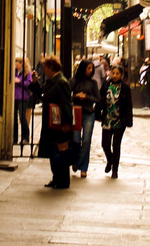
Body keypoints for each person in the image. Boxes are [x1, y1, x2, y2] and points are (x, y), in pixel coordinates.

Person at [38, 55, 73, 189]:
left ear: (51, 67)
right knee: (54, 152)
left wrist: (66, 123)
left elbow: (66, 103)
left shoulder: (61, 82)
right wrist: (35, 83)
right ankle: (56, 178)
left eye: (45, 67)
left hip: (59, 124)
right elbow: (43, 96)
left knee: (61, 152)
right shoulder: (51, 81)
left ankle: (63, 180)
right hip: (51, 122)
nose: (43, 70)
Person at [99, 62, 133, 179]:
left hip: (119, 120)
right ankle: (110, 160)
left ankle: (115, 170)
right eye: (113, 73)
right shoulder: (106, 85)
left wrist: (128, 120)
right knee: (105, 144)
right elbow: (100, 100)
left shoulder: (125, 88)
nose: (115, 75)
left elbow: (129, 105)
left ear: (121, 75)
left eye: (117, 73)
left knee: (116, 145)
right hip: (108, 119)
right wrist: (98, 115)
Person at [69, 58, 100, 178]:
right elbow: (67, 95)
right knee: (76, 140)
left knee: (86, 140)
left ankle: (83, 167)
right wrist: (76, 96)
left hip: (88, 113)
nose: (90, 70)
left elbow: (97, 99)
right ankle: (75, 160)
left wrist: (86, 97)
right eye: (88, 68)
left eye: (91, 68)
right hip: (76, 112)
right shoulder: (73, 81)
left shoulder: (93, 83)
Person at [13, 56, 33, 145]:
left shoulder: (27, 73)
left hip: (23, 97)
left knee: (22, 117)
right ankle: (14, 138)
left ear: (22, 64)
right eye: (16, 62)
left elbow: (29, 84)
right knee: (14, 118)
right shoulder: (14, 71)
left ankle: (25, 137)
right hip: (14, 97)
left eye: (18, 62)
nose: (16, 64)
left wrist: (19, 81)